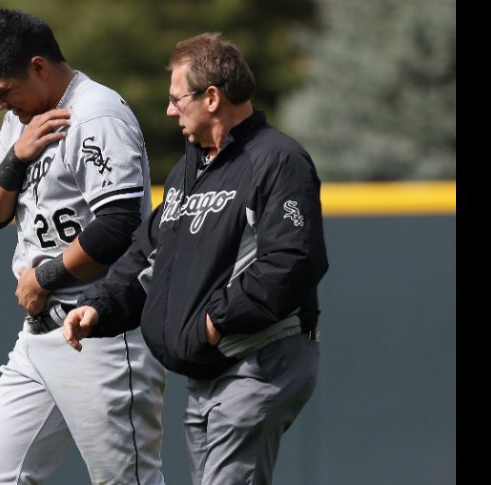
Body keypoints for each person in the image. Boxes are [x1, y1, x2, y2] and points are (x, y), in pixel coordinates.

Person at [63, 33, 329, 485]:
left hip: (257, 362)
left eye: (176, 99)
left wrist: (213, 323)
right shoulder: (189, 171)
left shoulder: (278, 160)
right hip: (208, 373)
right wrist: (101, 305)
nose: (169, 111)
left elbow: (291, 263)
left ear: (211, 97)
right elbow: (149, 254)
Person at [0, 9, 166, 485]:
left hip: (104, 330)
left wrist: (46, 275)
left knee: (125, 481)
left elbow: (119, 227)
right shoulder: (23, 118)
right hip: (39, 336)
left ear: (38, 66)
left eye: (3, 91)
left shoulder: (97, 114)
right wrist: (15, 158)